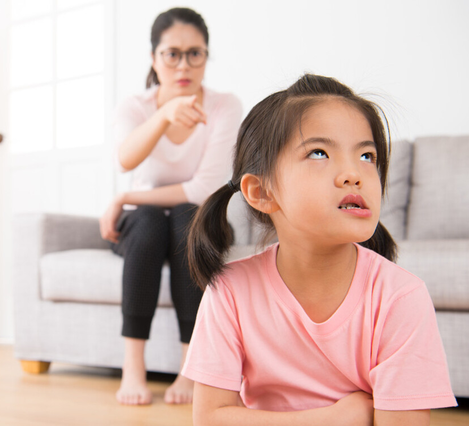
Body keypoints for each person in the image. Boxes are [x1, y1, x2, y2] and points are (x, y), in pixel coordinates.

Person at [183, 74, 457, 425]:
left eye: (367, 155)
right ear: (262, 192)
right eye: (319, 152)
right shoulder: (231, 290)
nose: (353, 173)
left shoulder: (401, 297)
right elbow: (209, 419)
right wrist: (337, 418)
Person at [99, 7, 242, 406]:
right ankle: (133, 366)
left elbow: (202, 189)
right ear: (154, 58)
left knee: (185, 220)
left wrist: (124, 196)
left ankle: (188, 368)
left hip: (194, 218)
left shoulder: (224, 106)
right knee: (147, 224)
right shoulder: (135, 106)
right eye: (172, 54)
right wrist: (164, 113)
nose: (184, 65)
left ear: (207, 57)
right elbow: (125, 159)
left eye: (195, 53)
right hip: (143, 225)